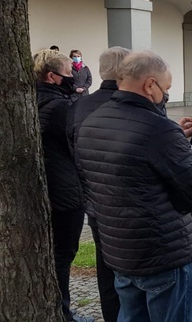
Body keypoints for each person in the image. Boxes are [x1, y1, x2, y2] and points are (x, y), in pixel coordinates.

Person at [76, 51, 192, 322]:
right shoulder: (157, 129)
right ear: (150, 85)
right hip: (163, 254)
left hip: (120, 252)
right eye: (166, 89)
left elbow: (130, 168)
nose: (165, 96)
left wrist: (176, 137)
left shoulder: (92, 122)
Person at [67, 46, 131, 322]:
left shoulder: (78, 106)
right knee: (133, 272)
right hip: (129, 204)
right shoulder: (130, 104)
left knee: (106, 267)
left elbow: (72, 151)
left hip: (94, 202)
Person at [34, 49, 93, 322]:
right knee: (63, 253)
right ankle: (62, 312)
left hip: (46, 187)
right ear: (52, 76)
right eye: (70, 73)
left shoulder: (32, 100)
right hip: (66, 191)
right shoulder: (61, 107)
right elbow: (80, 147)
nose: (74, 77)